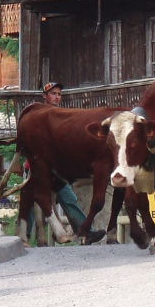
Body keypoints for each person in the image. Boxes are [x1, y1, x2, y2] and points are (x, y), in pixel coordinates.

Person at [26, 82, 105, 243]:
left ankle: (85, 232)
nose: (56, 97)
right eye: (53, 93)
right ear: (45, 96)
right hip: (39, 165)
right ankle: (22, 237)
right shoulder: (38, 115)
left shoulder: (62, 115)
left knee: (68, 198)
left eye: (59, 94)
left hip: (57, 167)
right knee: (32, 201)